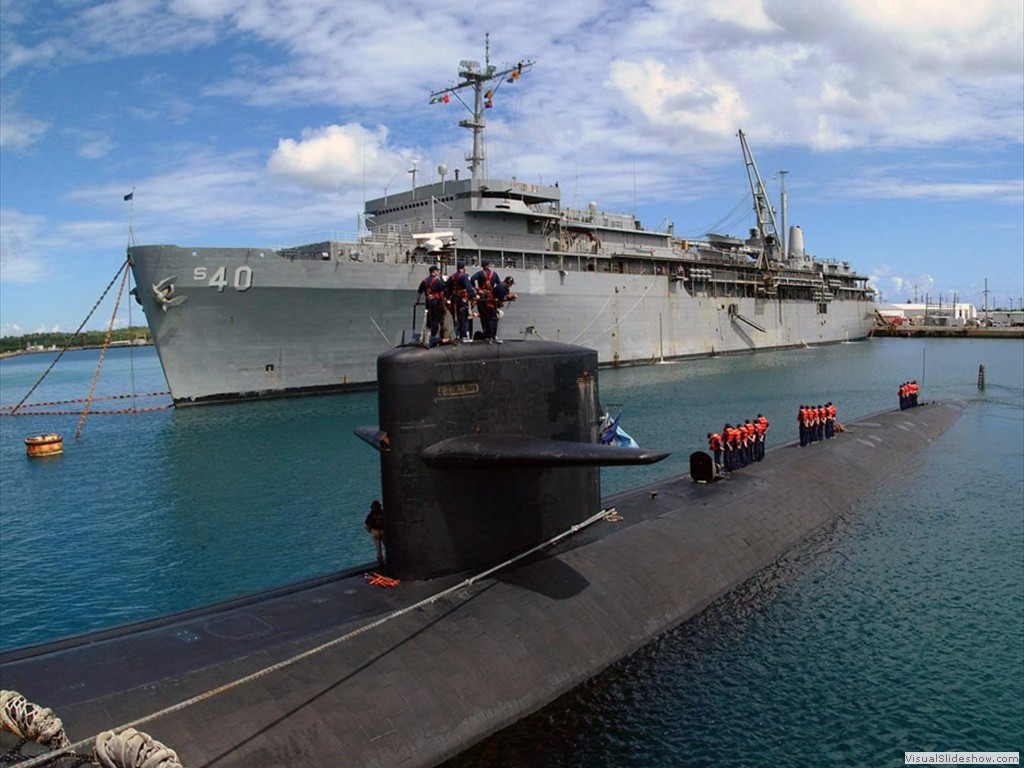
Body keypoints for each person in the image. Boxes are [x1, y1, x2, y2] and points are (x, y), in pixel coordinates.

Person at [416, 265, 447, 347]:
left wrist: (417, 302)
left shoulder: (424, 281)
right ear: (434, 271)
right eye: (437, 271)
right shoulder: (438, 282)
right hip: (437, 304)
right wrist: (444, 304)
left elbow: (419, 292)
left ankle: (427, 337)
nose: (437, 272)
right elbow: (442, 294)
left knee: (429, 321)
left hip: (428, 304)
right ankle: (432, 337)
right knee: (436, 321)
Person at [471, 260, 501, 341]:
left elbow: (472, 279)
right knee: (492, 317)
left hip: (482, 298)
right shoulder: (494, 274)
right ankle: (492, 335)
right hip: (491, 298)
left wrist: (476, 289)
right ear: (489, 265)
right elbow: (499, 285)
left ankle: (486, 334)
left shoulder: (480, 273)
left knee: (483, 316)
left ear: (482, 266)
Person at [446, 262, 476, 341]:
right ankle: (464, 336)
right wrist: (473, 295)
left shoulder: (452, 277)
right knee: (464, 317)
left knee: (456, 317)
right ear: (463, 268)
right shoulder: (465, 276)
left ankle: (458, 334)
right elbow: (468, 287)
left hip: (454, 299)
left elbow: (447, 289)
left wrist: (447, 297)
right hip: (462, 299)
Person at [490, 276, 517, 341]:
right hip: (492, 306)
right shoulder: (502, 287)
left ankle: (492, 336)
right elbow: (501, 298)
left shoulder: (502, 286)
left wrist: (510, 298)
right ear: (509, 283)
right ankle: (492, 336)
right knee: (493, 321)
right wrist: (511, 297)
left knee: (494, 321)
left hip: (494, 306)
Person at [364, 499, 385, 568]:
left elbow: (366, 525)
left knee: (378, 547)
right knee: (387, 545)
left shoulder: (371, 515)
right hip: (383, 531)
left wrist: (370, 531)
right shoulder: (382, 513)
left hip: (375, 532)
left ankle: (380, 560)